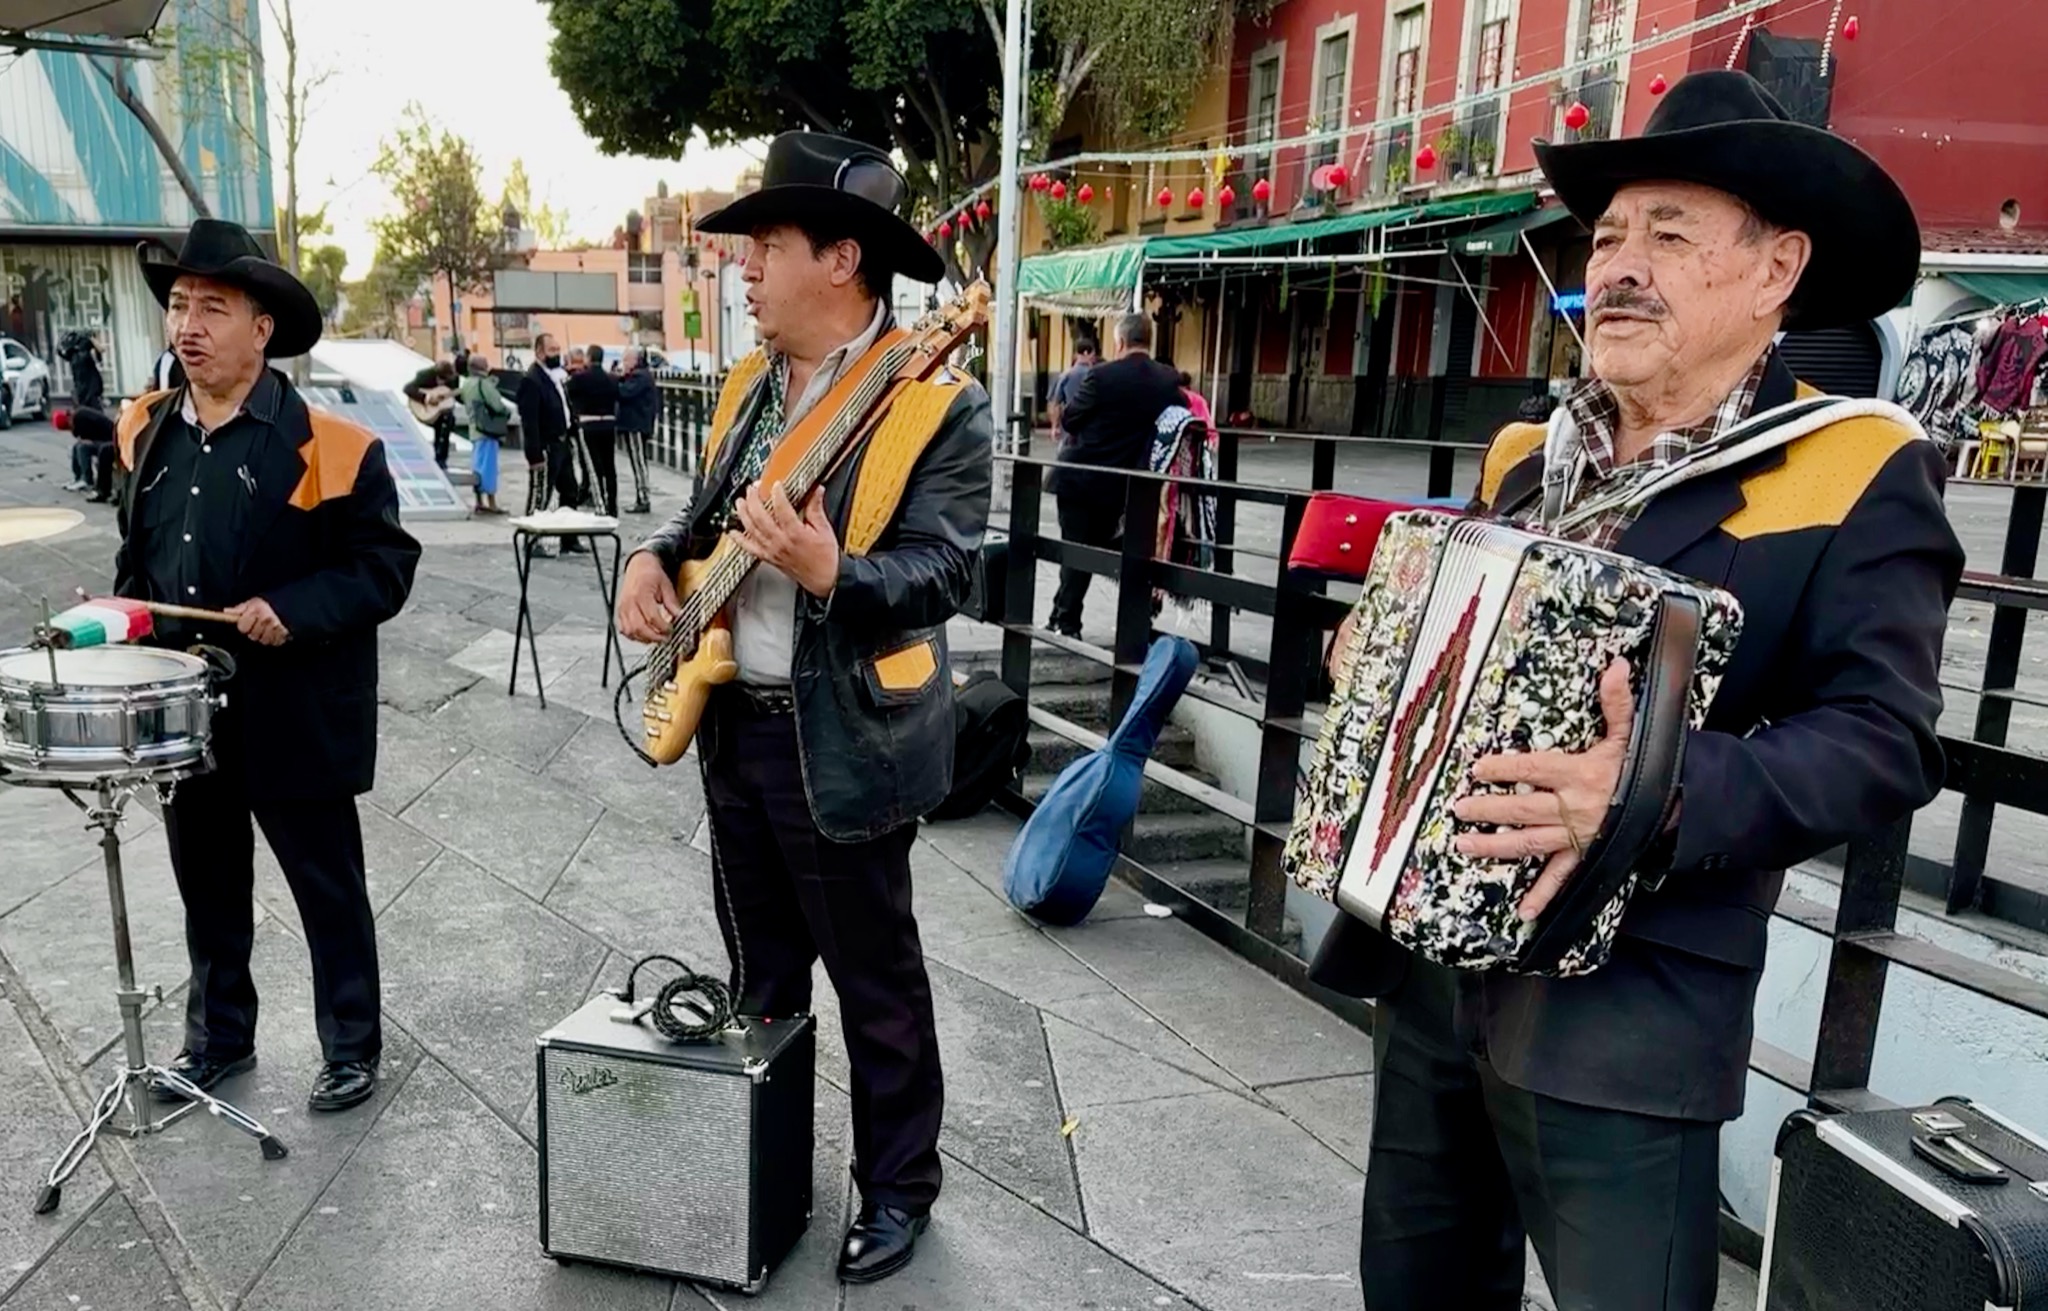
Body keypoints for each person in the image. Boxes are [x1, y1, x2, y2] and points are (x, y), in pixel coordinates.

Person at [1318, 72, 1958, 1310]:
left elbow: (1881, 741)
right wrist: (1381, 661)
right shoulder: (1529, 454)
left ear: (1775, 270)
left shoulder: (1854, 468)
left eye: (1668, 235)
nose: (1617, 266)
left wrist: (1646, 792)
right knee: (1411, 1290)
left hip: (1634, 1010)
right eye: (1607, 236)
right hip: (1431, 969)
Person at [616, 131, 990, 1286]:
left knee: (877, 987)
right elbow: (701, 518)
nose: (744, 268)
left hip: (846, 739)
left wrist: (834, 572)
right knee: (759, 977)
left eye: (766, 245)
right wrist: (652, 556)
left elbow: (945, 571)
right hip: (734, 723)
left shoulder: (937, 401)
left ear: (841, 258)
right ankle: (765, 1168)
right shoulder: (746, 387)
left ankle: (898, 1189)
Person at [111, 217, 420, 1114]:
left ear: (262, 328)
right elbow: (139, 561)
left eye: (212, 307)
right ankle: (218, 1037)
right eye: (179, 305)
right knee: (206, 884)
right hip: (187, 711)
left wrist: (294, 608)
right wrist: (125, 629)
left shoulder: (336, 446)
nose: (188, 326)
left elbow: (384, 568)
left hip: (295, 708)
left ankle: (351, 1043)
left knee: (326, 886)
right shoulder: (145, 430)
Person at [1046, 311, 1181, 638]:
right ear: (1148, 340)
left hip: (1081, 477)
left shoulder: (1101, 375)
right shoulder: (1167, 380)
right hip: (1127, 486)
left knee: (1077, 553)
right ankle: (1135, 620)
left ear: (1120, 341)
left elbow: (1071, 419)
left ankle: (1066, 623)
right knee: (1126, 552)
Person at [565, 343, 621, 517]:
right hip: (608, 424)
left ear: (588, 358)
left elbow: (568, 393)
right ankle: (613, 505)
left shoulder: (580, 378)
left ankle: (601, 504)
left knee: (594, 467)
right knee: (609, 466)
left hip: (589, 424)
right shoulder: (612, 379)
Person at [457, 352, 510, 515]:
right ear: (481, 367)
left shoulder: (466, 383)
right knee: (489, 467)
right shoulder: (483, 384)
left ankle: (479, 501)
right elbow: (497, 404)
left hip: (474, 429)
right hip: (487, 430)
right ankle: (492, 502)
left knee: (477, 466)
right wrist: (506, 412)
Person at [615, 344, 658, 514]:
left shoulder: (640, 377)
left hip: (636, 425)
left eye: (626, 360)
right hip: (636, 424)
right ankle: (641, 496)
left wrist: (617, 380)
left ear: (634, 360)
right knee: (638, 461)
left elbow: (624, 393)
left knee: (639, 461)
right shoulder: (639, 375)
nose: (623, 363)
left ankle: (643, 498)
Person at [404, 356, 459, 470]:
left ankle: (441, 459)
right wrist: (427, 398)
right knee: (443, 423)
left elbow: (453, 395)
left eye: (445, 380)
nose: (442, 382)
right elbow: (408, 388)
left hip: (443, 410)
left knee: (447, 422)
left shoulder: (453, 379)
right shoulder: (425, 375)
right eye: (441, 379)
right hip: (425, 409)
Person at [1047, 338, 1097, 447]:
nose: (1094, 358)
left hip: (1068, 429)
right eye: (1093, 355)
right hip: (1090, 430)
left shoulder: (1065, 375)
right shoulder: (1096, 375)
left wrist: (1054, 426)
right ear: (1086, 353)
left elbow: (1055, 403)